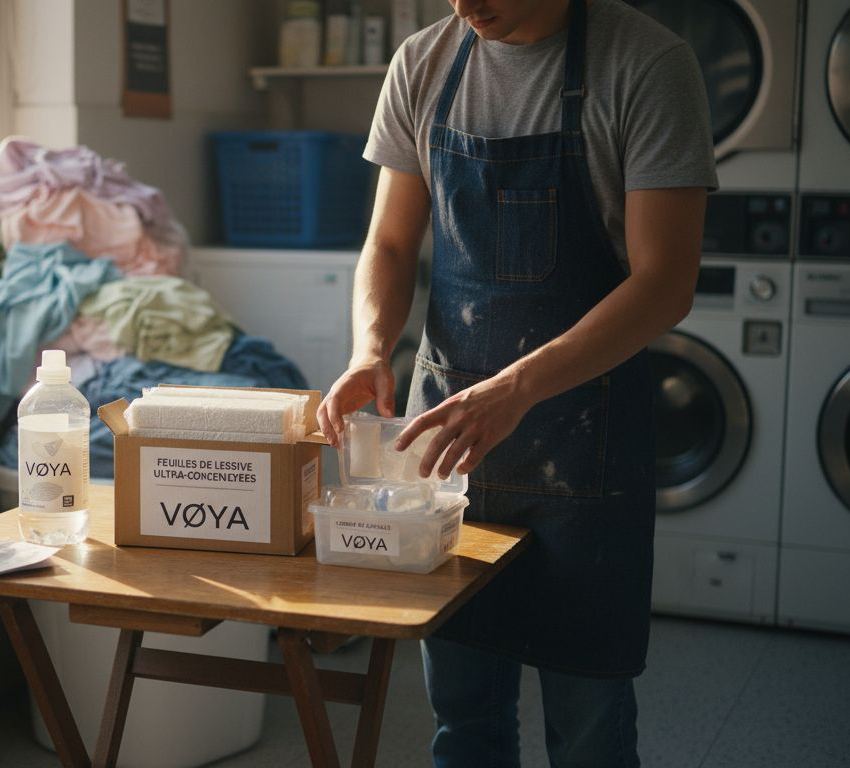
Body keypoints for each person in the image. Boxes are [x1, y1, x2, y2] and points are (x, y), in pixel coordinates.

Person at [316, 0, 717, 764]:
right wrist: (371, 348)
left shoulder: (647, 66)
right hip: (450, 452)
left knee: (588, 718)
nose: (466, 5)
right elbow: (391, 242)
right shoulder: (425, 64)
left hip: (586, 441)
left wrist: (520, 386)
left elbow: (665, 282)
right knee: (464, 715)